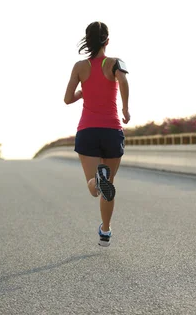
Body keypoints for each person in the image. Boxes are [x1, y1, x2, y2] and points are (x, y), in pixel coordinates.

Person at [64, 21, 130, 247]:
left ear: (88, 40)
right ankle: (105, 231)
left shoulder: (79, 67)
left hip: (88, 131)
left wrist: (83, 92)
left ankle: (96, 180)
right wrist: (125, 108)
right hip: (112, 130)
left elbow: (67, 99)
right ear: (107, 41)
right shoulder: (115, 63)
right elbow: (123, 80)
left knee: (94, 187)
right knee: (109, 186)